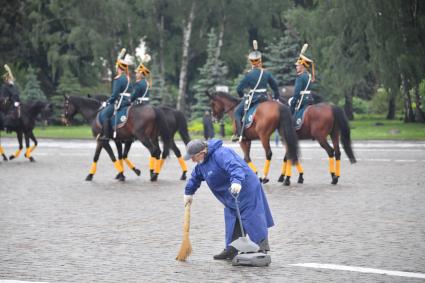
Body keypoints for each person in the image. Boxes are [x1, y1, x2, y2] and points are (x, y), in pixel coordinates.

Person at [183, 139, 274, 260]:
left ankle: (262, 247)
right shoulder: (201, 164)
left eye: (193, 157)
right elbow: (195, 178)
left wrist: (236, 181)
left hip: (246, 187)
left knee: (252, 215)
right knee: (232, 218)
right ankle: (232, 249)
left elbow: (235, 167)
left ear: (202, 152)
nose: (192, 160)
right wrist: (188, 193)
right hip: (230, 194)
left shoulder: (221, 154)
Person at [233, 40, 280, 142]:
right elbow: (275, 86)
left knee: (237, 112)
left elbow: (239, 89)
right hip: (265, 98)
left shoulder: (249, 74)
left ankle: (240, 134)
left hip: (253, 98)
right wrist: (276, 97)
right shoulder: (266, 73)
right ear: (260, 61)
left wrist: (241, 96)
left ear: (251, 62)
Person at [99, 49, 134, 140]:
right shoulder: (128, 78)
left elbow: (115, 95)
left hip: (121, 102)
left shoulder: (118, 79)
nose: (116, 68)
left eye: (117, 67)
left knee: (105, 114)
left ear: (119, 68)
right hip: (128, 102)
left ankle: (106, 136)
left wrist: (107, 102)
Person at [289, 43, 315, 114]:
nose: (296, 67)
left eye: (298, 66)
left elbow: (297, 93)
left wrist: (293, 102)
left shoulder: (300, 77)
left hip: (302, 101)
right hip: (310, 99)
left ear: (302, 66)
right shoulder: (309, 76)